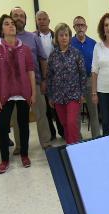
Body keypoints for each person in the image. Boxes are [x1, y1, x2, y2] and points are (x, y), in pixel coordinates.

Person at [0, 14, 35, 174]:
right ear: (1, 30)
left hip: (23, 92)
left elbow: (30, 71)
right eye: (7, 24)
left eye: (13, 24)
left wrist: (33, 92)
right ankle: (4, 159)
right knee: (2, 127)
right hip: (3, 93)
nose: (11, 26)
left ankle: (24, 154)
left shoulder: (26, 49)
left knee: (23, 125)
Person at [10, 6, 51, 153]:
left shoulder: (33, 37)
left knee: (41, 114)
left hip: (35, 83)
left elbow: (42, 59)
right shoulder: (4, 38)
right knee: (17, 118)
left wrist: (44, 79)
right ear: (10, 18)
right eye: (16, 15)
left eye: (22, 15)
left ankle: (46, 143)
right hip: (14, 86)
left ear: (25, 20)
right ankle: (20, 145)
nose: (19, 18)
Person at [47, 23, 86, 144]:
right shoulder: (53, 56)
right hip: (58, 96)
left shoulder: (76, 53)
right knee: (64, 124)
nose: (64, 37)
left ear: (69, 37)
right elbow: (50, 77)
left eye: (66, 35)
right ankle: (71, 145)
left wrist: (82, 93)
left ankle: (73, 149)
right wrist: (50, 96)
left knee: (71, 122)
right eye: (61, 35)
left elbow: (83, 74)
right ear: (57, 38)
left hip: (74, 95)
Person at [35, 10, 64, 141]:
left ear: (49, 21)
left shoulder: (56, 36)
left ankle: (62, 131)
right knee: (45, 109)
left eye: (44, 19)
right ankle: (51, 133)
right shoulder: (33, 37)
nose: (42, 21)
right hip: (40, 78)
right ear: (36, 21)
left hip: (56, 78)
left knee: (57, 106)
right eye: (39, 19)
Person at [71, 16, 100, 138]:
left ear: (86, 27)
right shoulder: (70, 43)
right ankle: (78, 140)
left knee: (94, 113)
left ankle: (97, 138)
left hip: (89, 81)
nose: (80, 27)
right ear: (74, 27)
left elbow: (97, 64)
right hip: (74, 82)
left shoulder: (93, 44)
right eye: (77, 25)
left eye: (82, 25)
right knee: (76, 114)